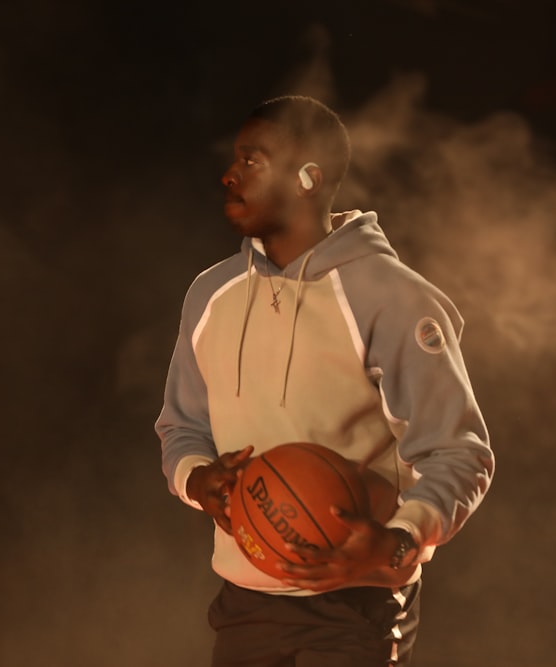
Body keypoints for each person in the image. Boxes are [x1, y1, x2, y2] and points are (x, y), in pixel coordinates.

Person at [156, 95, 494, 666]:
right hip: (248, 602)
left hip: (356, 605)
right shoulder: (209, 296)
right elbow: (181, 428)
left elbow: (459, 454)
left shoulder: (393, 298)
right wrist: (198, 480)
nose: (229, 173)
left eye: (253, 159)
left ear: (308, 177)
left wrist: (399, 540)